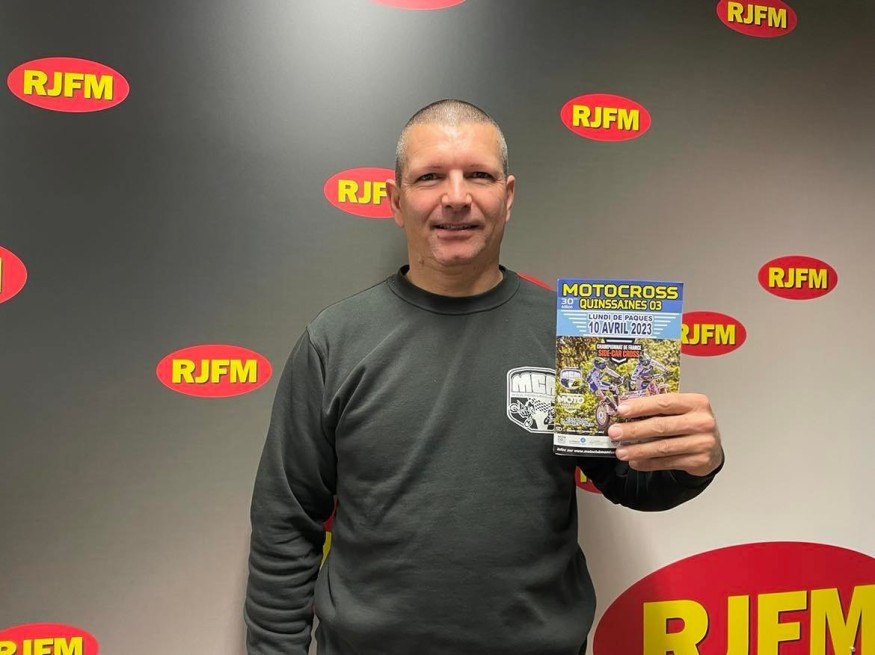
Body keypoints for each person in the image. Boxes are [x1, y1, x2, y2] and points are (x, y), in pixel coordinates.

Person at [245, 99, 724, 655]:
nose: (456, 197)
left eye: (479, 175)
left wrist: (692, 460)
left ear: (508, 196)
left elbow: (632, 482)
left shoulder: (573, 336)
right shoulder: (334, 341)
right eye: (430, 177)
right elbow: (285, 525)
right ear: (396, 201)